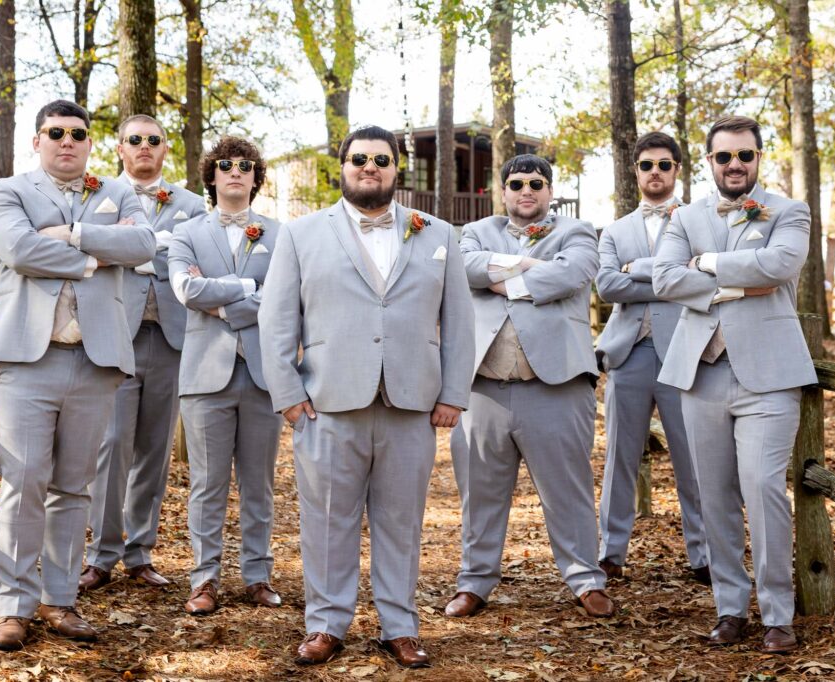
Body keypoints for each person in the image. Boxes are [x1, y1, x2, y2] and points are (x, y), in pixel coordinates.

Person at [259, 125, 474, 668]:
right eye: (359, 158)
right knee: (328, 519)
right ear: (343, 166)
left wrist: (452, 393)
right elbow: (277, 318)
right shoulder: (301, 234)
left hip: (412, 404)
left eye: (381, 159)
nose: (369, 166)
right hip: (328, 402)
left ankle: (399, 626)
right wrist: (287, 393)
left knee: (401, 521)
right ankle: (327, 624)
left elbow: (461, 322)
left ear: (397, 168)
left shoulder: (439, 235)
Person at [0, 99, 156, 650]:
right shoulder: (8, 191)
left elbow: (145, 244)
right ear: (37, 139)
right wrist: (98, 255)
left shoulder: (118, 192)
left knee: (72, 488)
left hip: (96, 361)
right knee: (24, 481)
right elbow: (18, 249)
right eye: (55, 132)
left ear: (89, 142)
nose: (67, 141)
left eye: (78, 133)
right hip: (28, 360)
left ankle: (59, 601)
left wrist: (74, 236)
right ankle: (13, 608)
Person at [653, 115, 817, 653]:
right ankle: (730, 607)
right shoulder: (684, 215)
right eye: (724, 157)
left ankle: (777, 613)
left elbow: (781, 263)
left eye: (744, 155)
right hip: (699, 373)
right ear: (709, 163)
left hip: (769, 376)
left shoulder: (788, 210)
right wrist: (733, 288)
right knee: (713, 494)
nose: (735, 165)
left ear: (758, 157)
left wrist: (711, 263)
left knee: (763, 488)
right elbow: (665, 278)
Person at [443, 153, 615, 621]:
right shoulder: (476, 231)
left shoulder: (577, 232)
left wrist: (504, 281)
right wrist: (526, 264)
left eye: (536, 183)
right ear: (503, 191)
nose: (526, 190)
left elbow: (571, 274)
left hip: (556, 384)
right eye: (517, 183)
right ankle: (475, 581)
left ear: (549, 191)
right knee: (479, 492)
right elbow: (464, 268)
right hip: (484, 388)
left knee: (569, 490)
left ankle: (585, 578)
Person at [81, 114, 206, 592]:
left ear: (165, 148)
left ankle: (140, 552)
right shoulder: (100, 197)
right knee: (112, 446)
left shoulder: (193, 205)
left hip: (171, 338)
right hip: (115, 336)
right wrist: (146, 248)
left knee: (155, 450)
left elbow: (196, 262)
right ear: (119, 148)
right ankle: (102, 553)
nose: (144, 147)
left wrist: (137, 249)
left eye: (153, 140)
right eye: (135, 140)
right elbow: (95, 255)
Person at [166, 137, 284, 616]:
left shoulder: (280, 235)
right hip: (204, 377)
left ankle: (258, 575)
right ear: (211, 176)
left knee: (259, 485)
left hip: (262, 376)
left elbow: (283, 298)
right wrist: (246, 287)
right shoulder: (187, 233)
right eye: (225, 165)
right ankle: (204, 579)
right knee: (207, 483)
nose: (235, 172)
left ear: (256, 177)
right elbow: (185, 289)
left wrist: (221, 303)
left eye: (245, 165)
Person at [595, 132, 709, 584]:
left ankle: (703, 554)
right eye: (647, 165)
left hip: (685, 351)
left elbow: (700, 277)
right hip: (628, 356)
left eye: (664, 164)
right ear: (636, 171)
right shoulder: (616, 230)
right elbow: (606, 287)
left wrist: (637, 271)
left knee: (693, 459)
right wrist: (667, 278)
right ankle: (611, 553)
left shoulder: (699, 221)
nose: (655, 173)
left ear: (677, 169)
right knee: (620, 458)